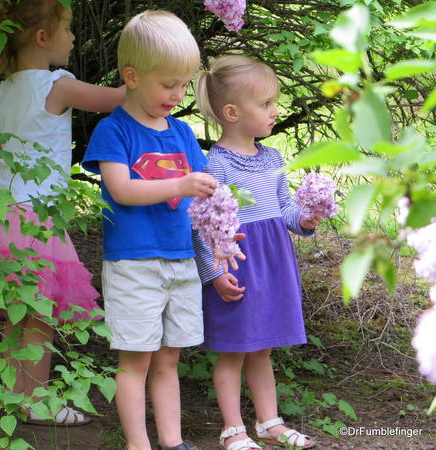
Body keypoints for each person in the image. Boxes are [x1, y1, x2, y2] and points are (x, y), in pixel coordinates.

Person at [0, 0, 125, 426]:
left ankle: (12, 396)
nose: (74, 39)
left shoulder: (0, 92)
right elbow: (114, 100)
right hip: (35, 219)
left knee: (17, 316)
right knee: (40, 317)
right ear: (43, 38)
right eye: (68, 30)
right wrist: (145, 75)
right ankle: (37, 402)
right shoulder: (57, 84)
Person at [81, 10, 225, 450]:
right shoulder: (114, 130)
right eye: (168, 84)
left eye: (183, 84)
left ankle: (172, 442)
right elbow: (121, 189)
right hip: (134, 263)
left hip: (180, 260)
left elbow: (204, 199)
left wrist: (222, 234)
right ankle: (137, 444)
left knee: (169, 358)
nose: (177, 94)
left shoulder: (181, 132)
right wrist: (179, 183)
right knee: (136, 360)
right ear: (131, 76)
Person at [193, 54, 320, 450]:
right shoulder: (217, 164)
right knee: (234, 349)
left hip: (274, 262)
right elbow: (202, 222)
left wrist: (308, 218)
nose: (274, 111)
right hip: (240, 263)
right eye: (265, 104)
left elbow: (284, 210)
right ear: (231, 112)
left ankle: (270, 423)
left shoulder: (272, 157)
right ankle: (234, 429)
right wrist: (212, 273)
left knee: (262, 347)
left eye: (273, 102)